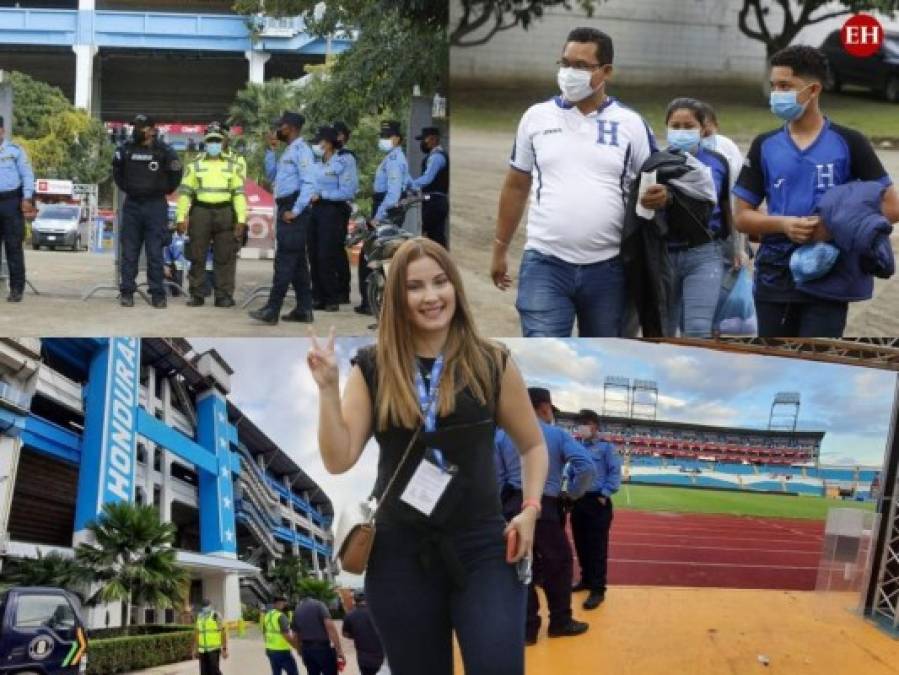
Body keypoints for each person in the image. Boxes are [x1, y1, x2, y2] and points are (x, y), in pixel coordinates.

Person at [307, 237, 549, 675]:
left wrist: (530, 509)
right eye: (415, 287)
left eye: (440, 282)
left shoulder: (492, 360)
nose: (431, 296)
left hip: (483, 549)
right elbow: (338, 459)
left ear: (456, 285)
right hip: (400, 555)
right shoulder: (373, 366)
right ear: (396, 297)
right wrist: (327, 388)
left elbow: (533, 446)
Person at [492, 26, 658, 337]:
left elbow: (653, 184)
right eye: (565, 63)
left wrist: (658, 198)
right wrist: (500, 248)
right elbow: (516, 185)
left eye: (581, 66)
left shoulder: (631, 125)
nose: (570, 72)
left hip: (610, 269)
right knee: (543, 361)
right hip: (545, 263)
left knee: (601, 366)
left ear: (606, 71)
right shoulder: (536, 118)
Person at [733, 45, 899, 337]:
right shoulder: (765, 144)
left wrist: (833, 228)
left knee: (818, 370)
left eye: (786, 86)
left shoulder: (850, 142)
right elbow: (742, 217)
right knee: (773, 367)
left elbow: (892, 205)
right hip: (775, 276)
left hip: (830, 276)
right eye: (774, 86)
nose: (777, 94)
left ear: (813, 90)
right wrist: (783, 224)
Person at [495, 387, 595, 645]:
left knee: (518, 566)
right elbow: (586, 468)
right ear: (544, 408)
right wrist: (572, 494)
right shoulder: (557, 434)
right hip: (545, 503)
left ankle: (527, 629)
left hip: (512, 503)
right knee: (558, 564)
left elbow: (498, 477)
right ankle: (560, 622)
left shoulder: (501, 436)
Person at [651, 97, 733, 337]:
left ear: (702, 128)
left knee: (698, 330)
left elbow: (727, 206)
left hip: (704, 253)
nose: (681, 131)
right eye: (675, 126)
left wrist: (736, 249)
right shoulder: (655, 163)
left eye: (688, 126)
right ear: (666, 127)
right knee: (662, 331)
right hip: (664, 254)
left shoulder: (718, 162)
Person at [250, 111, 316, 324]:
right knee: (297, 264)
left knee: (285, 260)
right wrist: (270, 150)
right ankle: (304, 309)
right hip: (286, 206)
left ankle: (272, 309)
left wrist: (295, 210)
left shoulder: (302, 151)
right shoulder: (289, 151)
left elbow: (309, 183)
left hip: (293, 208)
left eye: (281, 126)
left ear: (291, 128)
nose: (278, 130)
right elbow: (272, 176)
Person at [112, 113, 183, 308]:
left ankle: (157, 294)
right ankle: (127, 292)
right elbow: (117, 173)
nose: (136, 131)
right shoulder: (125, 149)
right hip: (133, 204)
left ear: (152, 130)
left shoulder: (164, 151)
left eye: (140, 127)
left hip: (155, 206)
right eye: (135, 127)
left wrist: (163, 190)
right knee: (129, 252)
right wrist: (130, 189)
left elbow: (176, 173)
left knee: (155, 253)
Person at [175, 122, 247, 307]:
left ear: (222, 142)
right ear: (205, 144)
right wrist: (180, 218)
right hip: (201, 212)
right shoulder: (194, 165)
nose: (214, 144)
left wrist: (241, 220)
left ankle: (223, 296)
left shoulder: (233, 166)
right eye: (210, 141)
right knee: (197, 255)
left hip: (225, 211)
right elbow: (185, 194)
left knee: (225, 256)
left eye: (217, 141)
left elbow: (239, 195)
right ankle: (197, 294)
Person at [355, 120, 410, 316]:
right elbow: (408, 183)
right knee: (380, 256)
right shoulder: (392, 158)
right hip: (385, 209)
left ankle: (373, 303)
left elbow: (393, 194)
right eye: (383, 136)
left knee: (373, 256)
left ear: (396, 138)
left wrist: (378, 217)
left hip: (386, 212)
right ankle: (375, 303)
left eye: (387, 136)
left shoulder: (395, 160)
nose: (383, 140)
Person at [569, 409, 621, 610]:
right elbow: (573, 472)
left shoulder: (606, 448)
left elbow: (615, 472)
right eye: (579, 423)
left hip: (597, 501)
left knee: (597, 547)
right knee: (581, 544)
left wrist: (604, 494)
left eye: (585, 423)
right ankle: (586, 580)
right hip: (579, 501)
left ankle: (598, 589)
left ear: (595, 426)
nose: (581, 427)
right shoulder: (576, 447)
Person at [308, 125, 358, 313]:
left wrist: (322, 194)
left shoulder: (345, 160)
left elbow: (348, 190)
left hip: (333, 210)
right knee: (313, 253)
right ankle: (318, 296)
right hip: (315, 210)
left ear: (329, 143)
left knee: (326, 254)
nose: (317, 145)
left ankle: (332, 297)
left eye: (320, 141)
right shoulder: (317, 163)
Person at [0, 114, 35, 303]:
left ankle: (16, 289)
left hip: (11, 203)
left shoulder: (15, 151)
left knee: (13, 248)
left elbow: (27, 175)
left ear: (2, 131)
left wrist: (27, 197)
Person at [410, 126, 449, 249]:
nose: (422, 143)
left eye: (424, 140)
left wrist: (408, 185)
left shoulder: (436, 157)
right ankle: (443, 263)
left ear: (433, 139)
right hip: (436, 201)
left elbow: (427, 179)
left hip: (434, 202)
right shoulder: (435, 156)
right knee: (436, 237)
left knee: (424, 233)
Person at [290, 592, 346, 675]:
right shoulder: (319, 605)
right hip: (323, 649)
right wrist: (339, 650)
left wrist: (299, 651)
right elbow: (330, 628)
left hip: (306, 650)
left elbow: (295, 635)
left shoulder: (297, 610)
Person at [332, 120, 356, 305]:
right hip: (327, 207)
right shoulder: (329, 156)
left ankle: (342, 290)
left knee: (337, 248)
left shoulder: (346, 157)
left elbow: (347, 189)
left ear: (341, 136)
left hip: (339, 207)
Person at [341, 590, 385, 675]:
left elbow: (345, 634)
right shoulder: (379, 612)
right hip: (381, 657)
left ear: (355, 599)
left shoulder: (350, 615)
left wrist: (357, 634)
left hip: (363, 658)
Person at [263, 596, 301, 675]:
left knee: (276, 672)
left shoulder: (267, 615)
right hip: (282, 651)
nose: (285, 605)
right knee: (293, 672)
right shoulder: (281, 616)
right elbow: (286, 635)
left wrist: (268, 645)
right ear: (278, 604)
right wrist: (297, 647)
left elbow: (264, 633)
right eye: (284, 604)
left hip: (270, 650)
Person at [192, 599, 228, 675]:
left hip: (213, 649)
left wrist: (224, 649)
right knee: (204, 672)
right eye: (204, 606)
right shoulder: (199, 616)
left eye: (207, 605)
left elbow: (223, 632)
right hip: (202, 650)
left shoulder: (216, 615)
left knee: (214, 671)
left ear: (210, 605)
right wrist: (195, 649)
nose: (205, 608)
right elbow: (197, 633)